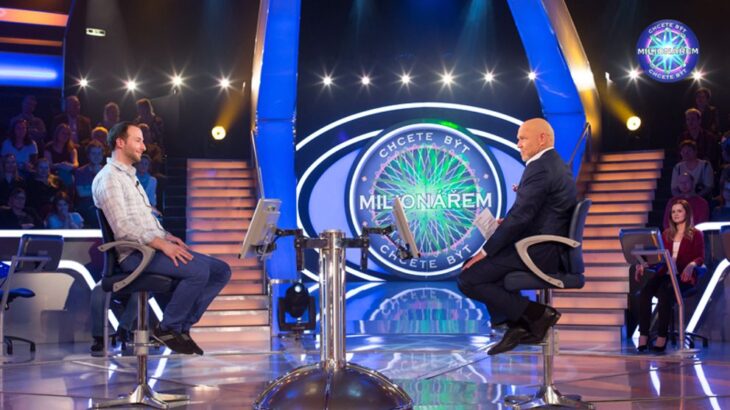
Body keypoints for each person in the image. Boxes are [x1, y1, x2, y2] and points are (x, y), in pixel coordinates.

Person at [92, 122, 231, 355]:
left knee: (221, 271)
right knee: (198, 272)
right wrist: (161, 244)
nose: (144, 147)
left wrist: (167, 237)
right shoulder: (109, 179)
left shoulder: (130, 177)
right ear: (120, 142)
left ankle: (181, 328)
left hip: (151, 248)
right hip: (134, 254)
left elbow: (144, 221)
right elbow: (123, 228)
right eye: (138, 140)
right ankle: (168, 328)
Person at [458, 118, 577, 355]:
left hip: (539, 251)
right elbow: (532, 212)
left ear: (542, 139)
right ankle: (517, 325)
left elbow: (521, 217)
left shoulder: (540, 167)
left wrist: (485, 251)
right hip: (543, 245)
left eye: (523, 138)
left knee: (468, 277)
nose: (518, 144)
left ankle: (536, 316)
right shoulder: (554, 164)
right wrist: (506, 223)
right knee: (485, 273)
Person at [635, 199, 704, 353]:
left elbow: (700, 257)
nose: (676, 214)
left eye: (679, 211)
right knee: (645, 292)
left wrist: (691, 265)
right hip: (665, 274)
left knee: (664, 292)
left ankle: (662, 336)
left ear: (687, 213)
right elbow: (658, 259)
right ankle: (643, 335)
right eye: (673, 212)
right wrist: (643, 264)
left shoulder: (696, 234)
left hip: (683, 276)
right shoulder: (666, 234)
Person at [74, 141, 105, 228]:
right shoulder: (80, 172)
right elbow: (81, 193)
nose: (96, 156)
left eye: (99, 153)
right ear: (88, 155)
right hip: (87, 206)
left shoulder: (107, 171)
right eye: (93, 153)